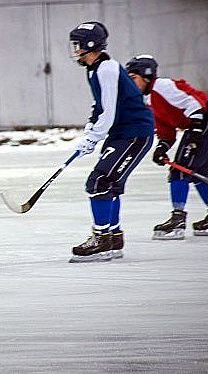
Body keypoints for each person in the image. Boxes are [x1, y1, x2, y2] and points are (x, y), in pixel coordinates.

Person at [68, 21, 154, 263]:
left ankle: (102, 239)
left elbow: (109, 112)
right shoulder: (93, 69)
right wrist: (89, 133)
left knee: (99, 182)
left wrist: (94, 137)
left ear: (90, 45)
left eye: (78, 44)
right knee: (109, 184)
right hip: (121, 134)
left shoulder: (107, 68)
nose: (75, 49)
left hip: (134, 133)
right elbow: (99, 107)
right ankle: (113, 237)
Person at [126, 54, 208, 239]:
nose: (131, 84)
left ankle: (178, 218)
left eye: (133, 78)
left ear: (146, 76)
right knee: (198, 171)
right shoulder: (150, 100)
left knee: (181, 171)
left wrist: (194, 133)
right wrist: (162, 146)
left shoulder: (161, 86)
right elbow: (166, 129)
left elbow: (193, 103)